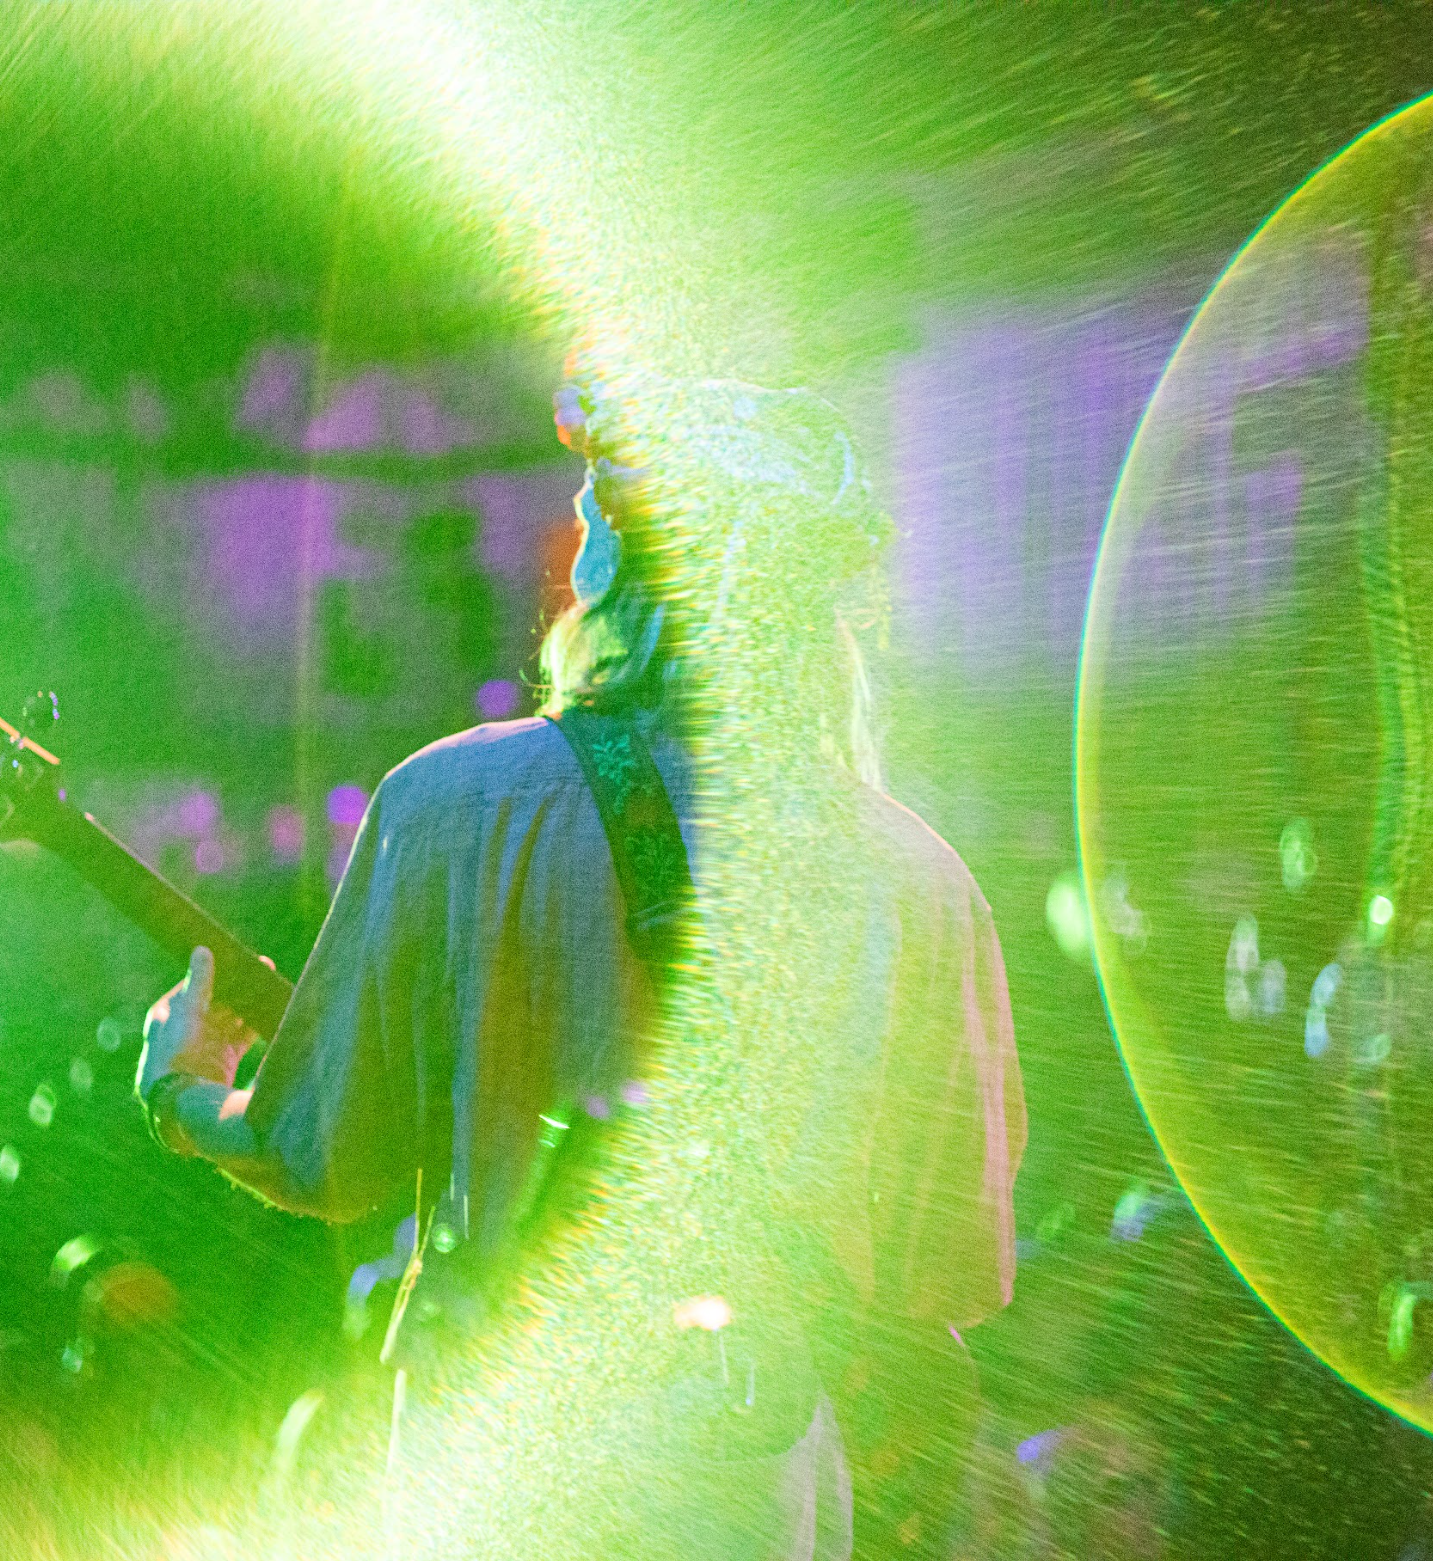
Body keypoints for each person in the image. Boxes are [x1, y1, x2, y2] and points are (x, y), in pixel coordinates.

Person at [137, 368, 1024, 1559]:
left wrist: (185, 1091)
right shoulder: (920, 880)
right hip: (756, 1462)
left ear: (611, 570)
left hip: (498, 1452)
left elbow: (323, 1151)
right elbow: (952, 1265)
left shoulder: (452, 801)